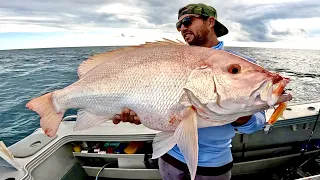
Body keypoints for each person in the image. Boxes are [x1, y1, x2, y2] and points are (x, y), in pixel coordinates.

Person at [112, 3, 288, 180]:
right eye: (179, 25)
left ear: (210, 22)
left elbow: (257, 124)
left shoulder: (243, 63)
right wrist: (139, 114)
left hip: (213, 165)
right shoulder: (170, 60)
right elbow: (151, 98)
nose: (182, 28)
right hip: (169, 157)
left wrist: (242, 113)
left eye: (188, 21)